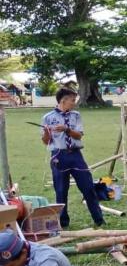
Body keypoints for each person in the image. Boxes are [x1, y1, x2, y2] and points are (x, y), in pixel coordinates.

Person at [41, 87, 105, 229]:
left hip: (75, 155)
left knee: (88, 187)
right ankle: (63, 222)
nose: (74, 103)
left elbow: (79, 135)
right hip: (58, 155)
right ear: (63, 100)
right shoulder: (47, 117)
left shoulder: (75, 115)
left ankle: (99, 219)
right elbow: (46, 141)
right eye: (72, 100)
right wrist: (46, 132)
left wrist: (66, 129)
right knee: (61, 190)